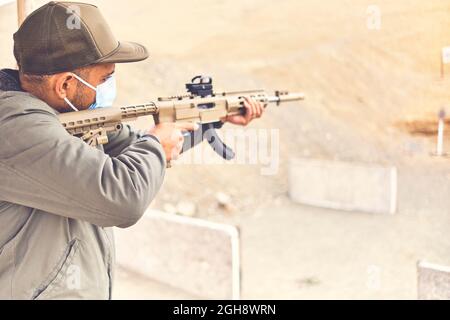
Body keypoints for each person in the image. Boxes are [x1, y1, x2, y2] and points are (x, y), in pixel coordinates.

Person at [0, 1, 264, 299]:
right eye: (105, 79)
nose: (110, 87)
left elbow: (139, 147)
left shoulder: (60, 117)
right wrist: (155, 144)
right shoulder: (15, 127)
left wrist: (209, 121)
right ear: (64, 86)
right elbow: (123, 195)